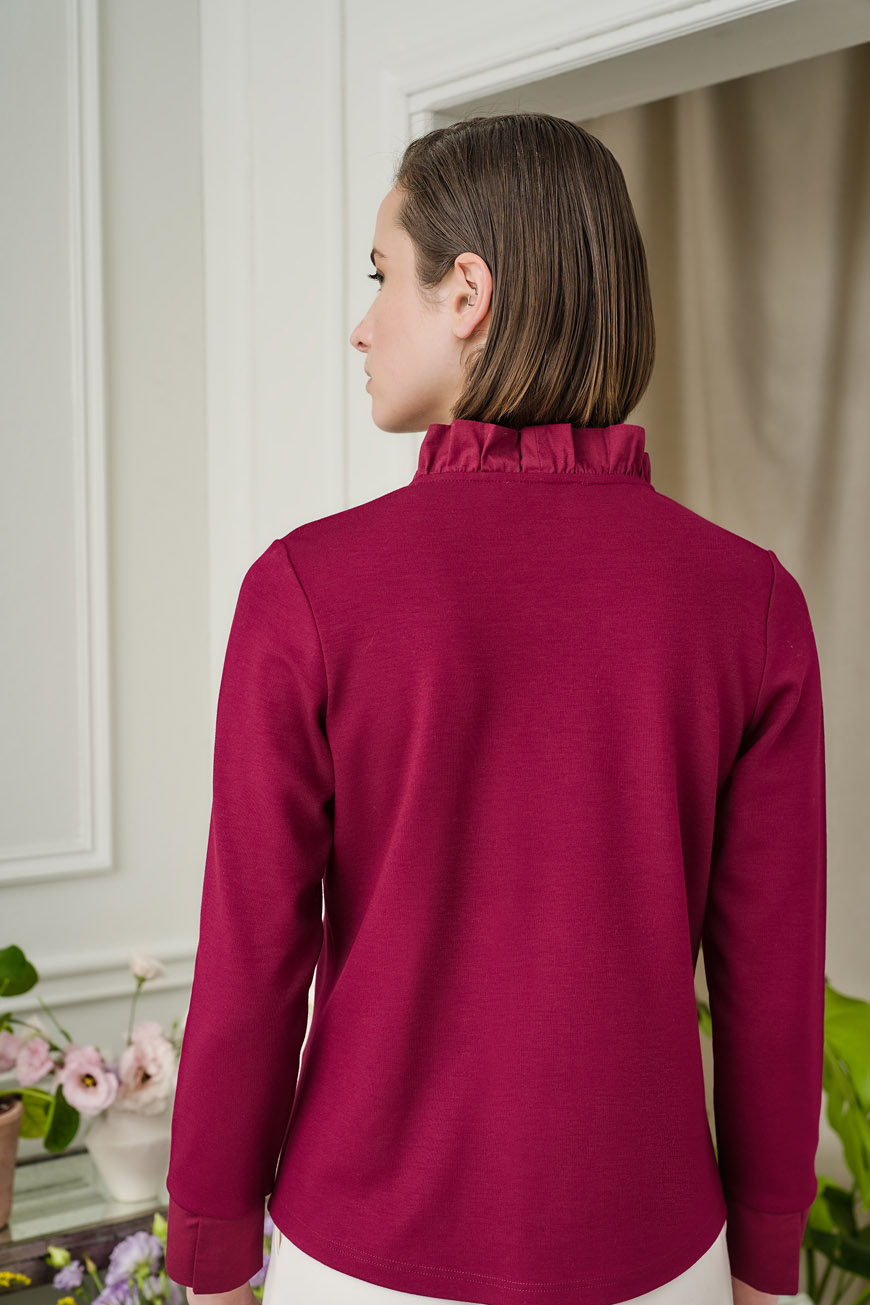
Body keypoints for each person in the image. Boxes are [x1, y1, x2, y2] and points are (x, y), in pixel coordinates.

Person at [164, 113, 826, 1305]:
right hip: (656, 1255)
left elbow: (253, 955)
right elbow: (771, 986)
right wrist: (769, 1259)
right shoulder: (752, 603)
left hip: (362, 1256)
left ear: (467, 291)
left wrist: (212, 1246)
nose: (362, 323)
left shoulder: (306, 590)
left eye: (382, 275)